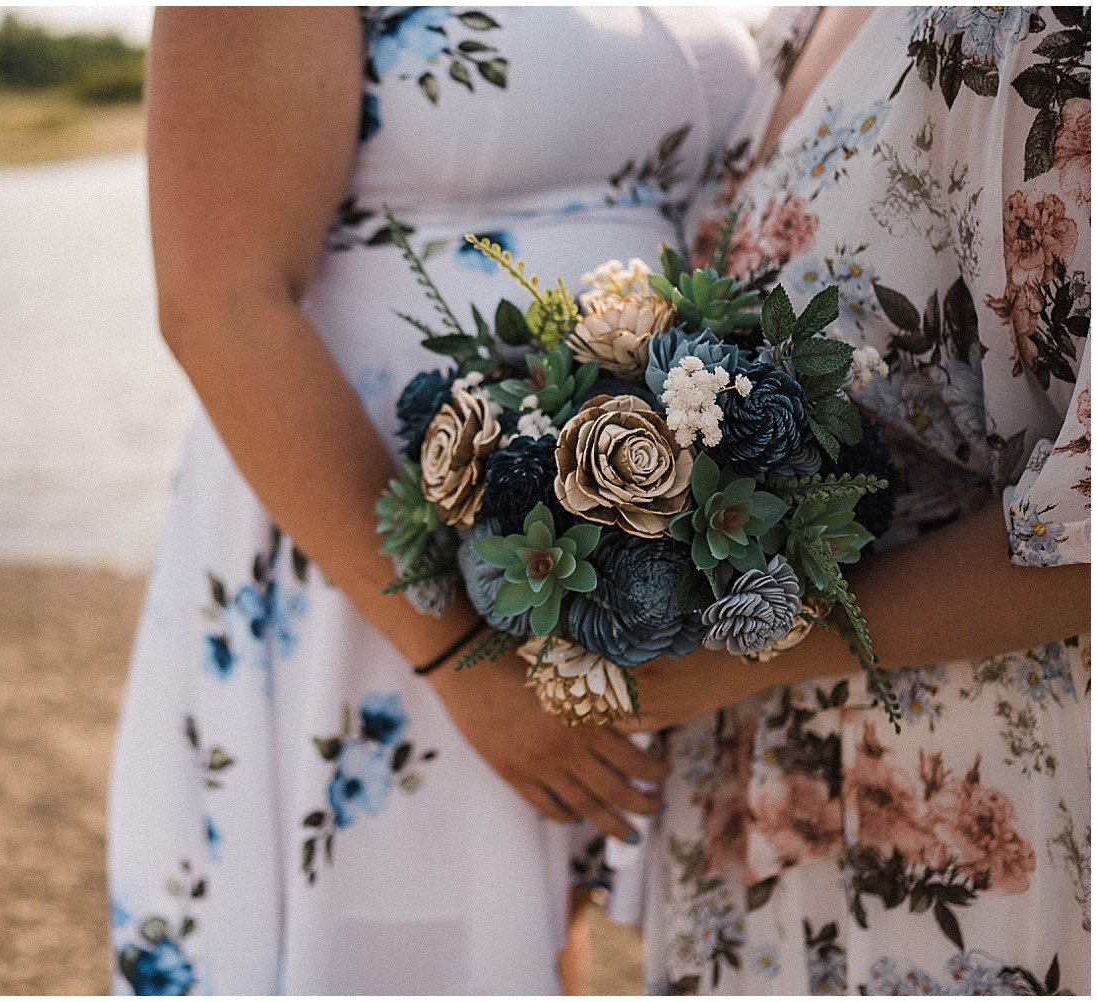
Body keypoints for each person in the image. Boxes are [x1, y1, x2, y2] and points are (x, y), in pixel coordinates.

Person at [106, 7, 758, 994]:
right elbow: (223, 302)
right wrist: (456, 653)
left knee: (529, 934)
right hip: (382, 554)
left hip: (600, 541)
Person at [627, 6, 1091, 994]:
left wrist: (758, 647)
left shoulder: (1044, 29)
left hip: (957, 803)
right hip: (755, 807)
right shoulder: (805, 19)